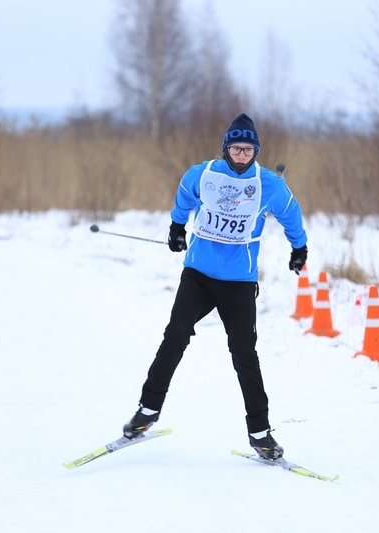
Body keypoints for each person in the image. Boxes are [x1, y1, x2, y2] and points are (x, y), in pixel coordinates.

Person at [122, 113, 308, 461]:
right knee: (175, 335)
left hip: (239, 282)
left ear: (256, 152)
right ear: (225, 148)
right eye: (236, 149)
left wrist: (300, 248)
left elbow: (290, 214)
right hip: (199, 274)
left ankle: (260, 433)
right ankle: (147, 411)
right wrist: (177, 228)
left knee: (243, 353)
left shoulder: (269, 184)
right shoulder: (203, 174)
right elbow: (184, 197)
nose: (242, 156)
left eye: (249, 150)